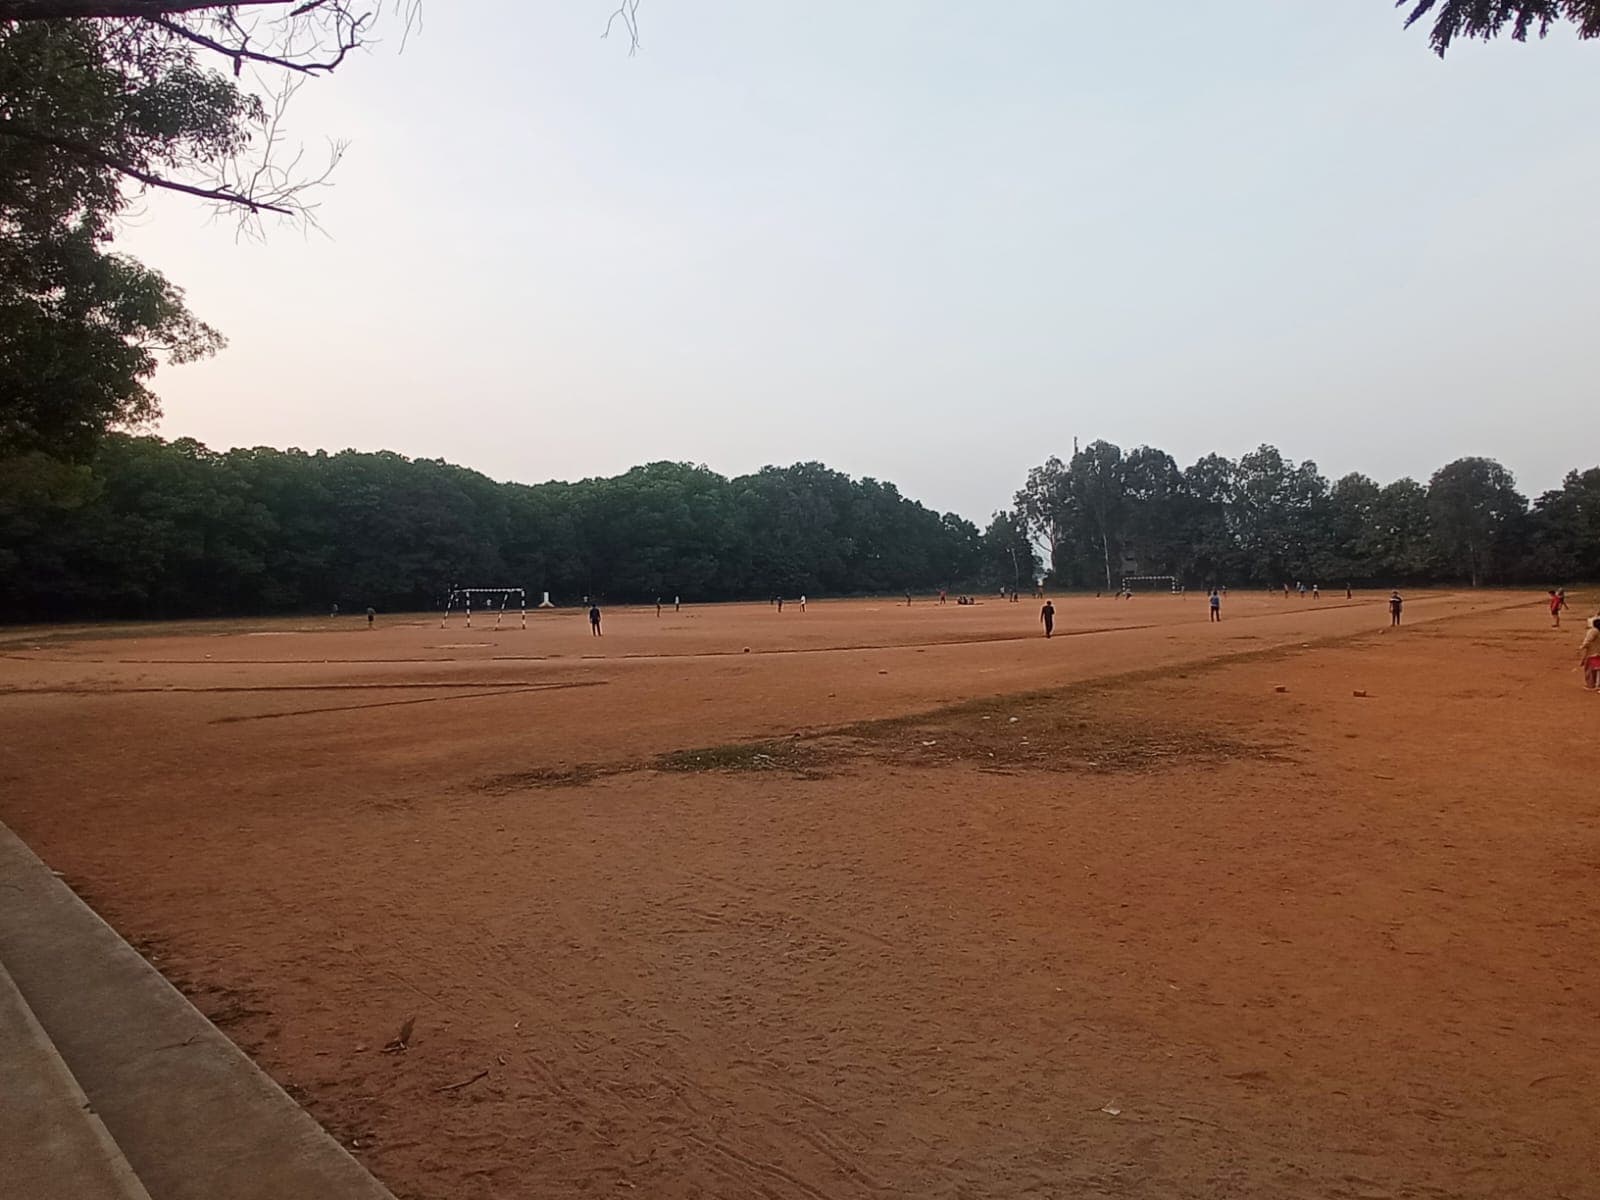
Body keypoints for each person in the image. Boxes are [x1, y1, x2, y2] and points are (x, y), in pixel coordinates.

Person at [1579, 616, 1600, 691]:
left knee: (1590, 669)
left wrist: (1582, 647)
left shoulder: (1593, 631)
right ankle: (1596, 684)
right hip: (1597, 653)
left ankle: (1591, 685)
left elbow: (1588, 641)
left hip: (1592, 653)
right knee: (1597, 670)